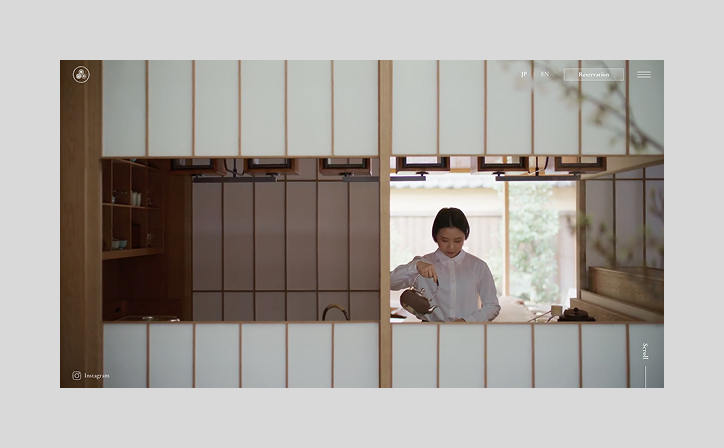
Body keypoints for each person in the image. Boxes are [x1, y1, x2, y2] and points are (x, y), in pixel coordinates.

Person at [391, 207, 500, 322]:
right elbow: (389, 283)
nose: (451, 247)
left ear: (465, 236)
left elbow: (492, 306)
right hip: (429, 330)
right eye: (444, 240)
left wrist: (467, 321)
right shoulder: (422, 265)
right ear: (435, 236)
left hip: (467, 330)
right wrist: (415, 267)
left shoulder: (478, 266)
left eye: (457, 241)